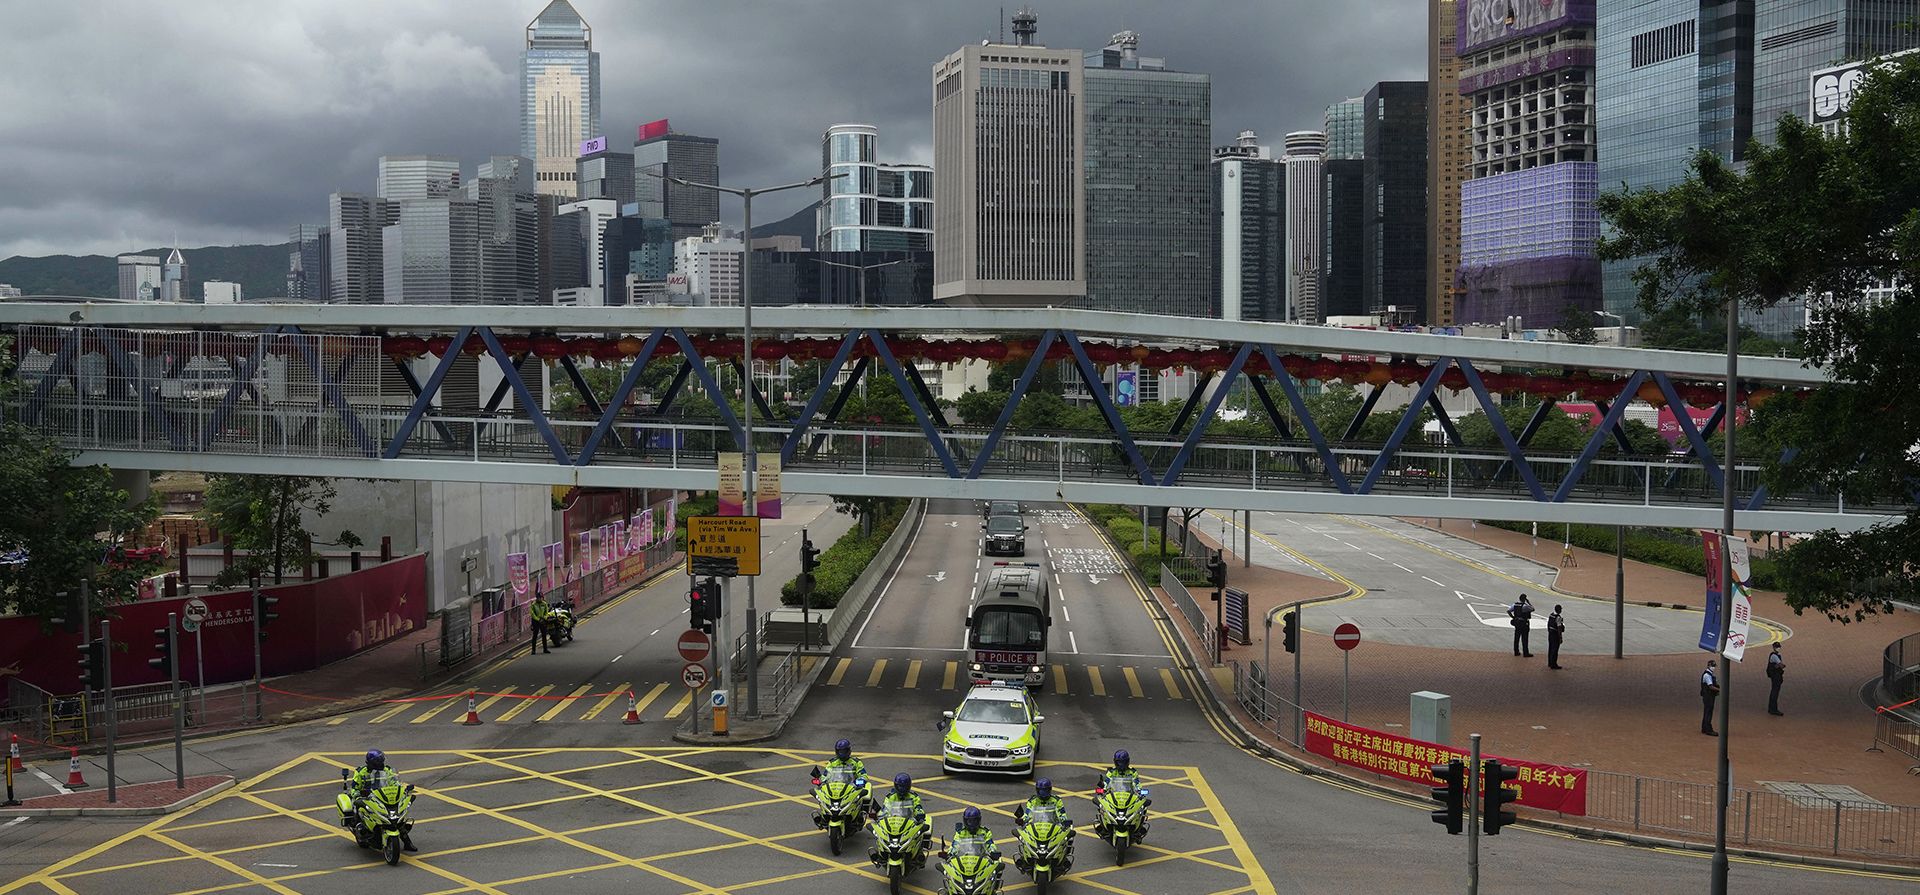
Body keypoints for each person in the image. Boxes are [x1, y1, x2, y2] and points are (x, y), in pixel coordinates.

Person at [346, 749, 416, 852]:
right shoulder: (361, 772)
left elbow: (394, 783)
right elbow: (355, 788)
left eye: (382, 761)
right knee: (359, 811)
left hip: (382, 796)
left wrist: (402, 791)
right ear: (373, 763)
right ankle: (360, 832)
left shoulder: (387, 770)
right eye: (379, 761)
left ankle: (407, 843)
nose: (382, 763)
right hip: (367, 797)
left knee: (397, 818)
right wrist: (357, 795)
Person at [1701, 660, 1720, 736]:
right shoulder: (1707, 675)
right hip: (1708, 696)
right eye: (1713, 666)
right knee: (1708, 712)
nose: (1714, 667)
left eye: (1714, 666)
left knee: (1706, 712)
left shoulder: (1709, 674)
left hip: (1708, 696)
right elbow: (1711, 686)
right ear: (1708, 665)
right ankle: (1708, 729)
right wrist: (1720, 690)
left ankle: (1704, 728)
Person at [1766, 643, 1786, 716]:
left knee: (1774, 692)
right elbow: (1782, 665)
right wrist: (1781, 665)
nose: (1778, 648)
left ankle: (1772, 708)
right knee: (1775, 692)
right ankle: (1773, 709)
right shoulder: (1775, 656)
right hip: (1776, 676)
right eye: (1777, 647)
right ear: (1774, 647)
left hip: (1775, 676)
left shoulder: (1775, 655)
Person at [1546, 604, 1566, 669]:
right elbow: (1559, 628)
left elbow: (1548, 624)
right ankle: (1554, 664)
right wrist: (1560, 637)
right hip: (1555, 635)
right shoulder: (1558, 617)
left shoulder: (1551, 615)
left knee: (1550, 648)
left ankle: (1550, 662)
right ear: (1559, 610)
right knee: (1555, 650)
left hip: (1550, 634)